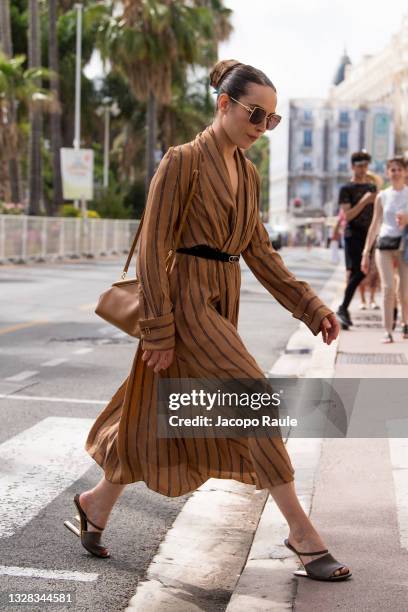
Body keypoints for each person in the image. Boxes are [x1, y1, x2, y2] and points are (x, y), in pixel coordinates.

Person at [65, 59, 350, 581]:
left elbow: (259, 250)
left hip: (222, 297)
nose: (262, 127)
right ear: (224, 104)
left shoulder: (247, 172)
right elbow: (152, 246)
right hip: (183, 299)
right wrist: (158, 327)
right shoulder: (182, 161)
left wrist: (311, 305)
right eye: (256, 114)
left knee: (152, 412)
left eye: (272, 120)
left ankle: (96, 503)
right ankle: (302, 534)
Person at [361, 156, 408, 343]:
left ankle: (405, 323)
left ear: (405, 172)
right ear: (388, 173)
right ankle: (387, 330)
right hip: (384, 245)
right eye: (392, 170)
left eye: (399, 169)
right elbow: (374, 225)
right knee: (388, 289)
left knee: (404, 292)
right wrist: (366, 252)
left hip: (405, 247)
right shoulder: (383, 196)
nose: (396, 173)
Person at [336, 151, 377, 329]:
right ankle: (342, 308)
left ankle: (343, 309)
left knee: (364, 273)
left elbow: (377, 213)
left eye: (366, 165)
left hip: (370, 235)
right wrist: (364, 201)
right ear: (353, 166)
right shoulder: (346, 189)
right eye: (360, 165)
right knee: (358, 272)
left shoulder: (372, 187)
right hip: (353, 235)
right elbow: (348, 215)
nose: (363, 169)